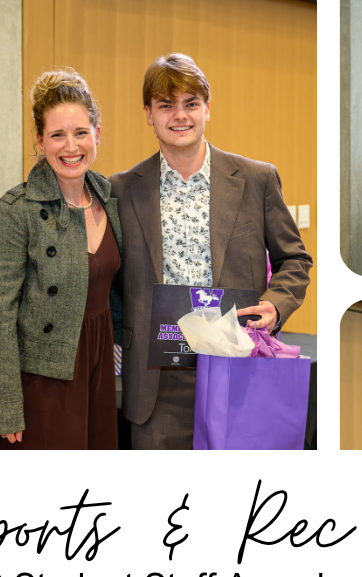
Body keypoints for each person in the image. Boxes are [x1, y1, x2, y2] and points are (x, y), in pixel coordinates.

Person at [112, 53, 312, 449]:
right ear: (149, 114)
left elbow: (295, 260)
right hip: (156, 381)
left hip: (237, 369)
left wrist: (276, 304)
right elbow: (110, 277)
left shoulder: (256, 180)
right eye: (166, 105)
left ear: (207, 109)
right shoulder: (120, 189)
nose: (179, 116)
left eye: (190, 104)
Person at [0, 69, 123, 450]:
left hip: (97, 368)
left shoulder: (111, 200)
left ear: (97, 134)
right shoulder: (15, 211)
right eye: (57, 135)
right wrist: (6, 406)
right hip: (39, 380)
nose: (70, 146)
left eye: (80, 133)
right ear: (39, 141)